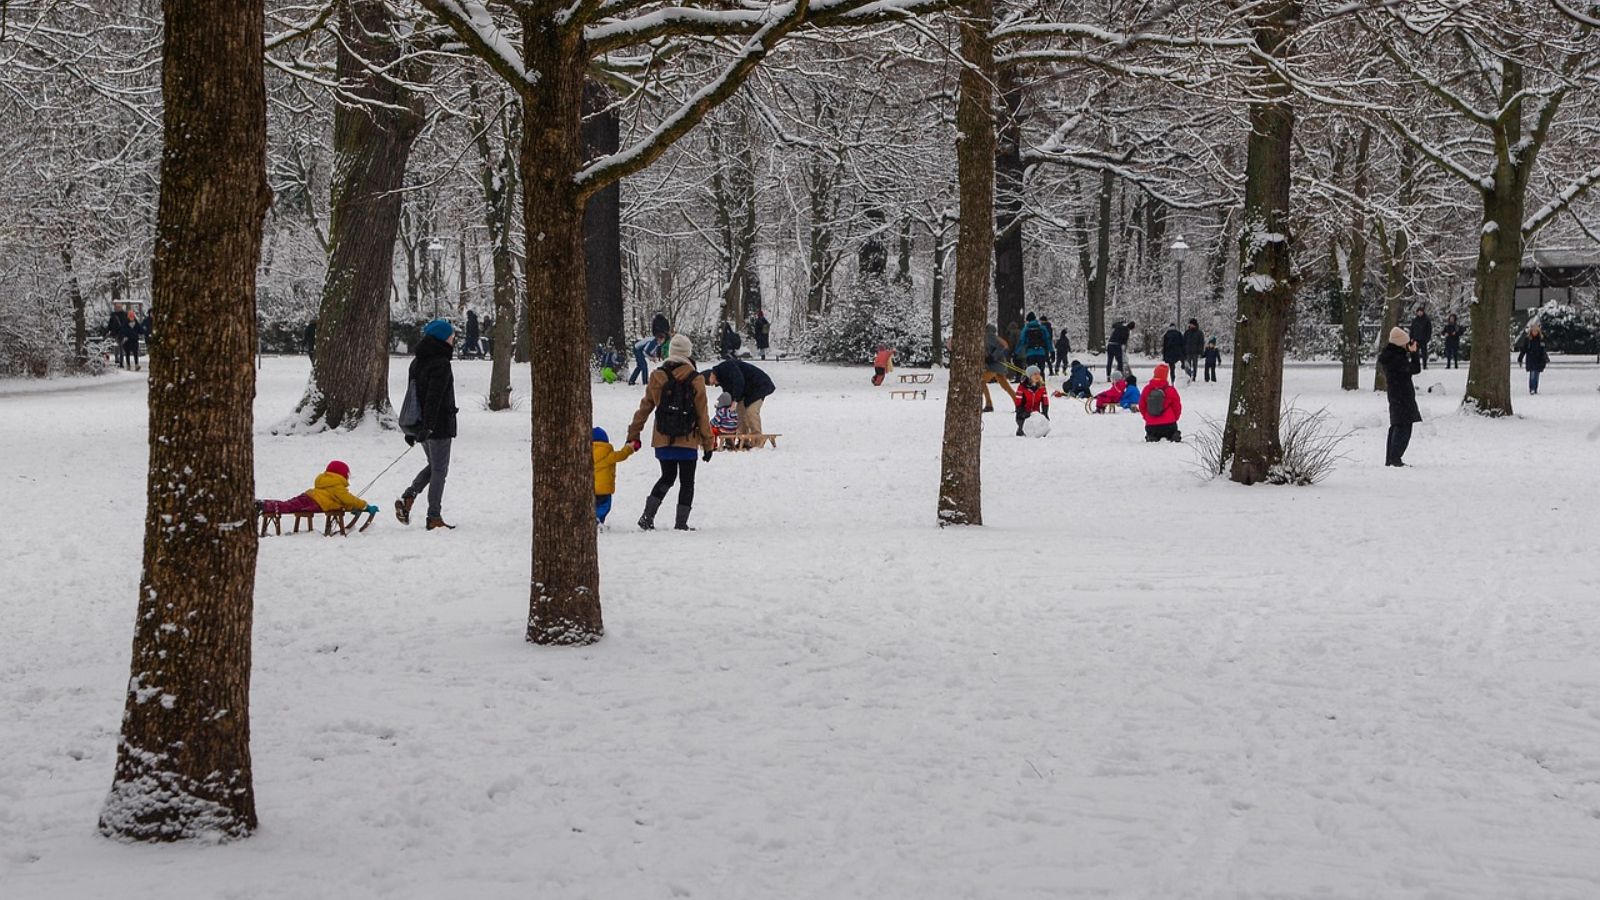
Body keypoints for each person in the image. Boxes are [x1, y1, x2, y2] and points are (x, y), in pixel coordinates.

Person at [626, 333, 715, 531]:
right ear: (688, 353)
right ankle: (681, 523)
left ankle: (647, 516)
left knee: (666, 477)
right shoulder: (696, 379)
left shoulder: (657, 376)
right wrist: (708, 444)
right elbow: (702, 414)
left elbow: (645, 408)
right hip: (687, 438)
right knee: (687, 482)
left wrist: (633, 434)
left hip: (662, 438)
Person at [395, 318, 459, 530]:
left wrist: (414, 428)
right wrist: (429, 427)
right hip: (437, 425)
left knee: (434, 466)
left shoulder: (417, 362)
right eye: (451, 335)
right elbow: (434, 397)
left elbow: (413, 397)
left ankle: (409, 496)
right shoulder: (441, 363)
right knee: (440, 469)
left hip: (421, 424)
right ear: (442, 338)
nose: (454, 338)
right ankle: (434, 516)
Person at [257, 460, 379, 520]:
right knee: (289, 507)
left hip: (309, 496)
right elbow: (347, 499)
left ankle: (265, 503)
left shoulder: (328, 481)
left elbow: (339, 502)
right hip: (315, 502)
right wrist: (364, 505)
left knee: (288, 504)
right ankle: (264, 506)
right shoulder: (336, 484)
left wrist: (352, 508)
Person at [1378, 326, 1421, 467]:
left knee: (1397, 425)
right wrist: (1414, 353)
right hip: (1402, 395)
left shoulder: (1391, 356)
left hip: (1397, 395)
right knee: (1403, 426)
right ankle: (1395, 458)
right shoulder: (1396, 358)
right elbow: (1414, 369)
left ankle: (1391, 458)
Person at [704, 355, 775, 440]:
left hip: (759, 386)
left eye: (710, 382)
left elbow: (739, 381)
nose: (712, 384)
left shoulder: (727, 366)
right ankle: (743, 440)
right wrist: (725, 407)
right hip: (745, 392)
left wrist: (735, 400)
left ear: (711, 374)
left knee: (751, 412)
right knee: (739, 414)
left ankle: (757, 439)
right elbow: (728, 394)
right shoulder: (721, 379)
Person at [591, 426, 635, 527]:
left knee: (592, 506)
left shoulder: (585, 455)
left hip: (590, 488)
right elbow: (622, 455)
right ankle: (597, 520)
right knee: (604, 506)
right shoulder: (608, 454)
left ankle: (593, 520)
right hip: (604, 489)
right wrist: (629, 447)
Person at [1138, 364, 1183, 442]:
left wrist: (1147, 417)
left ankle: (1151, 436)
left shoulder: (1147, 389)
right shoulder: (1170, 390)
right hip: (1169, 423)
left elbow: (1142, 406)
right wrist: (1174, 418)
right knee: (1171, 432)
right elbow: (1177, 407)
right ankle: (1173, 435)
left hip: (1151, 424)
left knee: (1152, 433)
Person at [982, 324, 1018, 411]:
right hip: (1000, 365)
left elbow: (1000, 347)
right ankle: (1018, 403)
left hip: (995, 366)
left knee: (981, 381)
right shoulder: (994, 337)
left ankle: (989, 404)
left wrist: (992, 357)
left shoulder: (989, 336)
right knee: (1005, 386)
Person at [1014, 365, 1050, 436]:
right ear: (1029, 376)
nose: (1037, 376)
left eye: (1038, 374)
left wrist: (1045, 413)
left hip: (1036, 414)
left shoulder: (1042, 387)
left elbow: (1045, 401)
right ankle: (1021, 429)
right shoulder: (1022, 387)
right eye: (1035, 374)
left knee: (1041, 430)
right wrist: (1022, 413)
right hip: (1023, 414)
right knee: (1025, 431)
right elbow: (1018, 403)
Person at [1516, 324, 1549, 395]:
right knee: (1532, 374)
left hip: (1539, 359)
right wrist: (1520, 358)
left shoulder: (1541, 339)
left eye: (1536, 331)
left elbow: (1544, 349)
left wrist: (1545, 357)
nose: (1534, 332)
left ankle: (1535, 388)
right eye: (1533, 331)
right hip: (1531, 359)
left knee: (1537, 375)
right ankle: (1532, 389)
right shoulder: (1528, 339)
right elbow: (1524, 350)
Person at [1410, 305, 1433, 369]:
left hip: (1423, 339)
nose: (1419, 313)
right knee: (1415, 353)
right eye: (1418, 312)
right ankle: (1416, 365)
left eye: (1421, 312)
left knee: (1424, 353)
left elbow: (1429, 330)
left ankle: (1424, 365)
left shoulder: (1427, 320)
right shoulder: (1415, 320)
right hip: (1416, 339)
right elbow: (1412, 329)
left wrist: (1427, 338)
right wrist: (1411, 337)